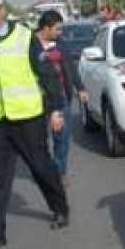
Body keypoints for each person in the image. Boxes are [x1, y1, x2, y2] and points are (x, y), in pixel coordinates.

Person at [0, 0, 70, 249]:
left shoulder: (25, 37)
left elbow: (46, 73)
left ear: (1, 10)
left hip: (28, 117)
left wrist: (56, 109)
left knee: (41, 167)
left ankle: (59, 208)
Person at [35, 10, 89, 185]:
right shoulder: (30, 46)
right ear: (46, 28)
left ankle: (59, 173)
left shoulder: (61, 44)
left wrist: (80, 88)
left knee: (62, 139)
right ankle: (45, 170)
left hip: (61, 98)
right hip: (37, 101)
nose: (60, 33)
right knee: (39, 141)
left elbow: (70, 68)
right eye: (57, 29)